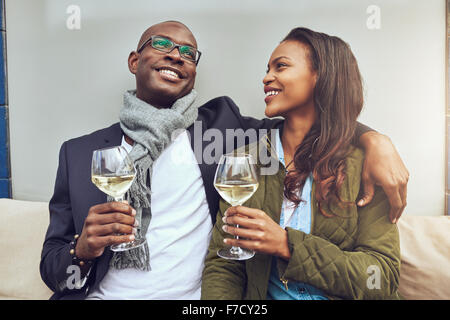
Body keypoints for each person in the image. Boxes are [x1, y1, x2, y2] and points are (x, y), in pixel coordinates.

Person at [40, 21, 407, 300]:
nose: (176, 55)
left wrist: (376, 139)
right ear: (135, 60)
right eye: (163, 44)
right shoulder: (79, 153)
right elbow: (53, 267)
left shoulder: (222, 132)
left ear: (194, 71)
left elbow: (314, 124)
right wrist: (82, 250)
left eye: (188, 53)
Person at [201, 27, 401, 300]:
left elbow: (381, 277)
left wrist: (287, 245)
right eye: (268, 68)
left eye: (280, 67)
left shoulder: (367, 163)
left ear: (321, 76)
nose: (266, 77)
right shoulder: (245, 160)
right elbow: (224, 266)